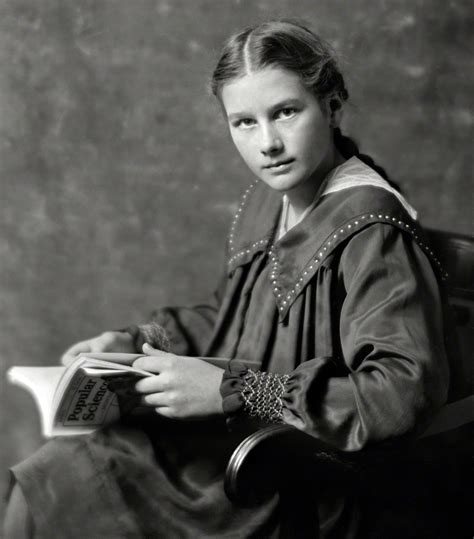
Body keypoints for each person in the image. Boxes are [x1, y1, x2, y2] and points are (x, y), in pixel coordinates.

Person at [4, 19, 450, 538]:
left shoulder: (370, 225)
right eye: (244, 122)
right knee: (61, 466)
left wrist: (235, 391)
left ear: (331, 106)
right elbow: (231, 317)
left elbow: (399, 393)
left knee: (74, 475)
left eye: (286, 112)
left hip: (303, 473)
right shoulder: (268, 200)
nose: (269, 143)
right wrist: (134, 345)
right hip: (234, 441)